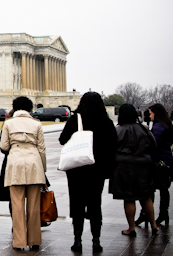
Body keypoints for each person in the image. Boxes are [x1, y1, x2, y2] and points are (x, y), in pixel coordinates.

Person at [59, 91, 117, 253]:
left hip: (77, 168)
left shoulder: (76, 119)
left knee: (77, 203)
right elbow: (113, 146)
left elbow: (62, 139)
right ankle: (96, 240)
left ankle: (77, 240)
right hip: (97, 169)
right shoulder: (106, 122)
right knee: (95, 204)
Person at [1, 96, 46, 251]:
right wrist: (43, 170)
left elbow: (4, 147)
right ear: (29, 108)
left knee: (17, 205)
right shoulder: (37, 124)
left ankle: (19, 241)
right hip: (34, 162)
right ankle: (34, 239)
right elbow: (42, 149)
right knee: (34, 205)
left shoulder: (8, 123)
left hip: (15, 162)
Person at [109, 104, 159, 237]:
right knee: (146, 196)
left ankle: (131, 227)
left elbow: (111, 150)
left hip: (123, 167)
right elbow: (154, 146)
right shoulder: (144, 129)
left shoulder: (117, 130)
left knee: (129, 198)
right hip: (144, 166)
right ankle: (154, 225)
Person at [148, 103, 173, 226]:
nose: (150, 116)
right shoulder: (168, 124)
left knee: (152, 188)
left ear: (156, 113)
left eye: (151, 113)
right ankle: (164, 213)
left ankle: (150, 214)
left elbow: (154, 144)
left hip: (158, 161)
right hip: (167, 159)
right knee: (164, 189)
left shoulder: (158, 127)